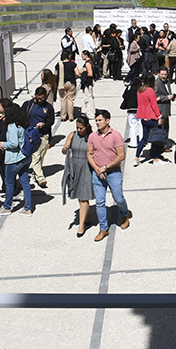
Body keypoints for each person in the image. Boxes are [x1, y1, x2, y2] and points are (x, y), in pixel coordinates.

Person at [87, 109, 130, 242]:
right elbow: (89, 154)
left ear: (108, 120)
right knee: (100, 202)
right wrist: (97, 169)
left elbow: (121, 155)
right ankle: (103, 229)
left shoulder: (116, 135)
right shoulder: (92, 136)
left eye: (100, 120)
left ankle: (124, 214)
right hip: (98, 174)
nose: (97, 122)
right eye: (96, 120)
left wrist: (105, 167)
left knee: (118, 198)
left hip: (113, 173)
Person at [0, 103, 33, 216]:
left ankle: (7, 206)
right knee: (25, 182)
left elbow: (14, 143)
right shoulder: (23, 124)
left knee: (10, 183)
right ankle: (28, 207)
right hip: (25, 157)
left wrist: (3, 144)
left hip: (14, 159)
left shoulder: (12, 126)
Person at [61, 116, 95, 238]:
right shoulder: (72, 134)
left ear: (86, 126)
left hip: (87, 167)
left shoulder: (92, 137)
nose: (79, 130)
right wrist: (65, 147)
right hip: (74, 167)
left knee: (83, 197)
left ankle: (81, 226)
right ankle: (87, 216)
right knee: (77, 194)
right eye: (77, 128)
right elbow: (64, 151)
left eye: (81, 128)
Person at [22, 87, 55, 189]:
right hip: (31, 134)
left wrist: (44, 124)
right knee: (35, 156)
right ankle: (40, 178)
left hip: (43, 135)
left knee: (41, 156)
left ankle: (36, 174)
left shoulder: (48, 107)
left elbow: (51, 121)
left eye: (42, 99)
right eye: (38, 98)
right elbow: (22, 116)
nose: (40, 101)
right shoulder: (28, 105)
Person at [134, 74, 165, 166]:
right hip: (151, 116)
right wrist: (159, 116)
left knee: (144, 138)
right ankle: (156, 158)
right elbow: (154, 105)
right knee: (156, 138)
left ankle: (137, 157)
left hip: (143, 117)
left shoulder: (140, 90)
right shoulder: (150, 90)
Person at [0, 98, 13, 194]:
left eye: (0, 106)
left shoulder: (6, 120)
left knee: (3, 167)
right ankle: (5, 185)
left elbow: (4, 134)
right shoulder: (3, 118)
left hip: (3, 148)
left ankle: (9, 187)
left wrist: (1, 146)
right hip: (0, 146)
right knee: (1, 167)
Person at [55, 52, 80, 122]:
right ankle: (71, 116)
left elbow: (55, 73)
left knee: (63, 99)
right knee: (70, 99)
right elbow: (77, 73)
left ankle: (63, 116)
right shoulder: (73, 64)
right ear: (69, 56)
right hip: (71, 83)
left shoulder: (58, 64)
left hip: (61, 83)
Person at [154, 67, 174, 145]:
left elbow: (168, 92)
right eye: (162, 74)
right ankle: (160, 146)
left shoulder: (167, 81)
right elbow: (155, 97)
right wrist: (166, 98)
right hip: (160, 109)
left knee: (166, 128)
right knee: (160, 129)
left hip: (166, 109)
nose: (163, 76)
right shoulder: (156, 83)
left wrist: (172, 97)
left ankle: (164, 144)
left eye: (165, 74)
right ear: (158, 74)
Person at [121, 78, 142, 149]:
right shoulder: (141, 92)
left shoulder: (129, 91)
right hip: (140, 110)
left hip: (131, 110)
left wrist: (127, 88)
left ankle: (133, 143)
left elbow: (124, 96)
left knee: (133, 126)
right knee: (141, 125)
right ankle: (142, 141)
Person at [80, 50, 95, 119]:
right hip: (90, 82)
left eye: (82, 55)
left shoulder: (87, 63)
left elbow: (90, 73)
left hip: (88, 82)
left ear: (86, 55)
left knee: (88, 98)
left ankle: (90, 113)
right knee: (89, 97)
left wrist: (83, 72)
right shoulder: (91, 61)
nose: (82, 56)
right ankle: (90, 112)